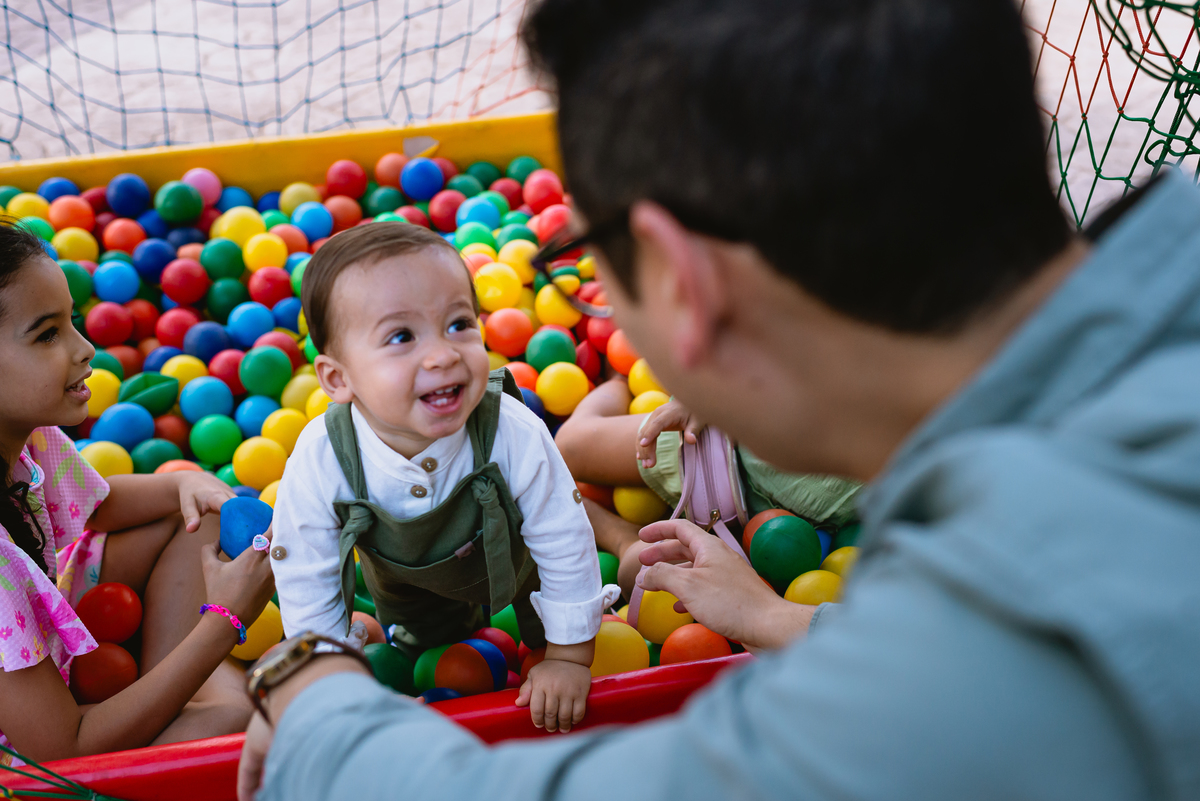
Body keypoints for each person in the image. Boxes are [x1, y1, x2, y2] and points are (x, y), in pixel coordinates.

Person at [239, 0, 1200, 798]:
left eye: (591, 259)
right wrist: (788, 619)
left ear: (681, 281)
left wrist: (309, 685)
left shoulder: (958, 676)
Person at [269, 223, 619, 733]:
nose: (443, 354)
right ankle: (432, 636)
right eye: (402, 336)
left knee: (545, 609)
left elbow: (562, 534)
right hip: (406, 580)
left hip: (518, 558)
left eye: (459, 323)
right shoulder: (322, 457)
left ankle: (546, 638)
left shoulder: (510, 429)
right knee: (430, 641)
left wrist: (568, 657)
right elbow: (307, 572)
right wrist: (327, 683)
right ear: (338, 379)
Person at [0, 222, 276, 765]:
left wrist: (183, 481)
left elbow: (100, 506)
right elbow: (63, 749)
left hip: (44, 652)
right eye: (47, 334)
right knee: (236, 721)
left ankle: (164, 693)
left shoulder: (26, 431)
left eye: (73, 321)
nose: (86, 349)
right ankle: (187, 690)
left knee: (194, 515)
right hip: (32, 767)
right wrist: (223, 623)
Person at [556, 379, 861, 597]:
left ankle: (617, 535)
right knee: (568, 449)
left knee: (637, 574)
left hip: (788, 533)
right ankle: (616, 376)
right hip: (719, 452)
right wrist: (715, 395)